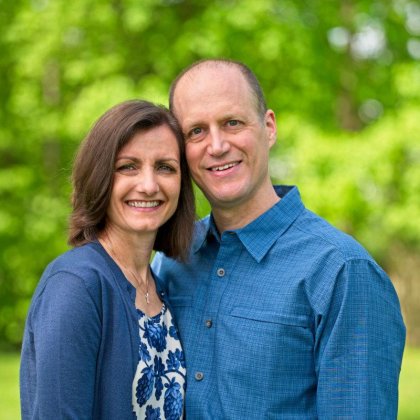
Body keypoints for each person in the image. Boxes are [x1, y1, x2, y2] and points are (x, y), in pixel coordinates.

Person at [152, 59, 406, 419]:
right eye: (196, 131)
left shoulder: (343, 272)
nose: (218, 145)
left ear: (268, 128)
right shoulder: (170, 258)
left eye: (232, 123)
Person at [20, 100, 195, 419]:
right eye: (128, 166)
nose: (148, 185)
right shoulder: (76, 286)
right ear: (100, 176)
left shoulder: (158, 286)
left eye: (165, 167)